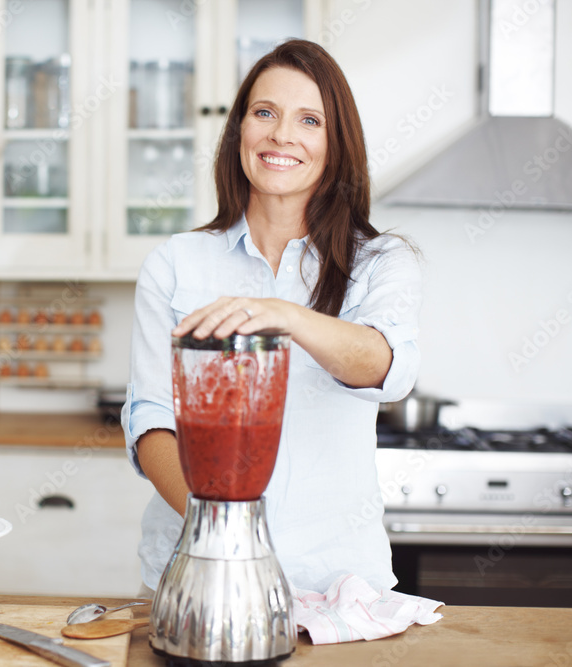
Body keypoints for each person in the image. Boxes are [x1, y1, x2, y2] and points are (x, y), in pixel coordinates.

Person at [121, 39, 422, 595]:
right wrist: (222, 532)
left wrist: (286, 316)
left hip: (334, 580)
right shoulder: (175, 263)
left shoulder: (383, 262)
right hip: (197, 572)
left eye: (310, 120)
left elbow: (385, 366)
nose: (282, 135)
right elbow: (152, 420)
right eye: (265, 113)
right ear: (240, 130)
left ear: (336, 144)